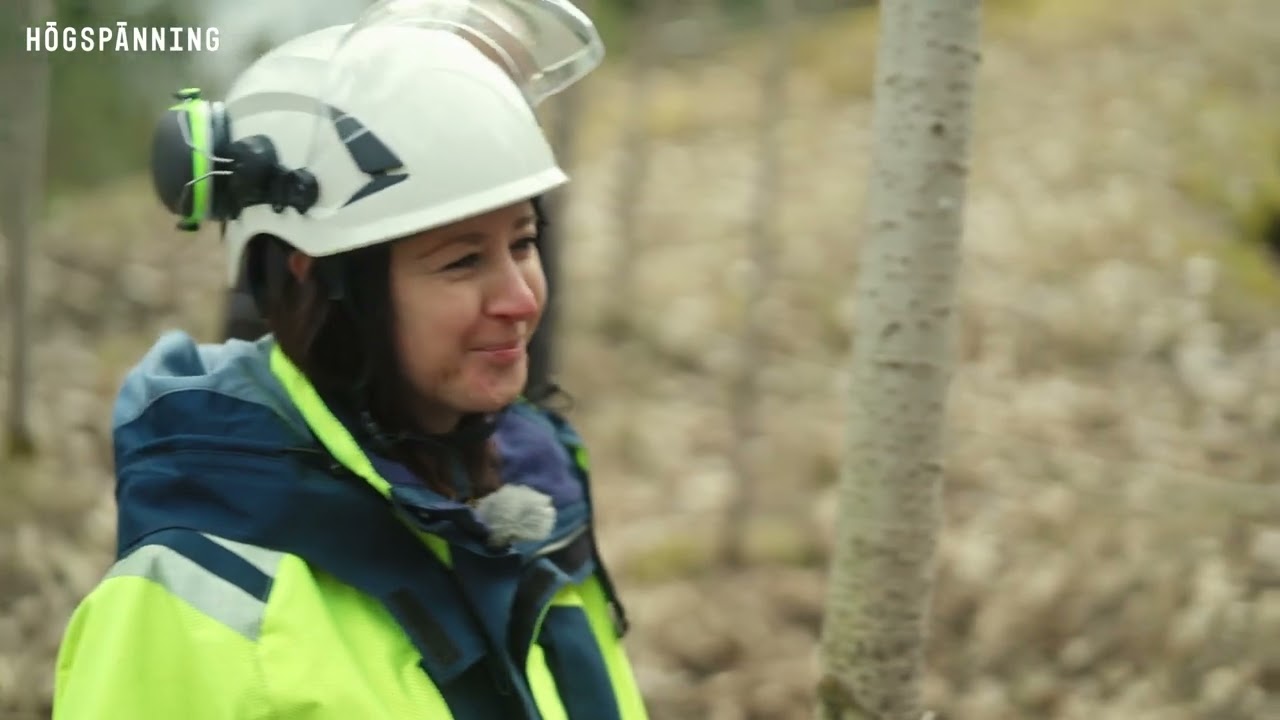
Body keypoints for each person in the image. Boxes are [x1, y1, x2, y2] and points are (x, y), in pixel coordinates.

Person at [51, 1, 648, 718]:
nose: (520, 298)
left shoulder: (534, 500)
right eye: (462, 261)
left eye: (522, 243)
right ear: (319, 280)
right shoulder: (195, 604)